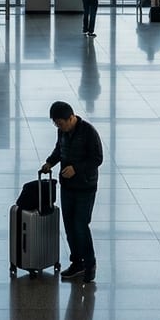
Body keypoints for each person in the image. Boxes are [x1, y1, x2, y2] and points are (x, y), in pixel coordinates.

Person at [40, 101, 103, 284]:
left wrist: (76, 169)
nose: (58, 126)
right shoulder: (63, 131)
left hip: (85, 187)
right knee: (69, 226)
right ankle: (77, 262)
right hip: (67, 187)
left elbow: (97, 159)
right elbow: (60, 150)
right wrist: (50, 162)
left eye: (60, 123)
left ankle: (90, 264)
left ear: (71, 118)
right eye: (56, 124)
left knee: (81, 226)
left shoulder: (89, 133)